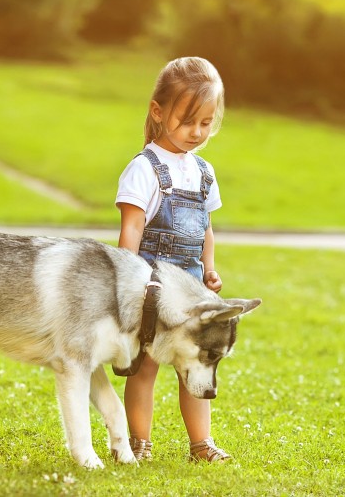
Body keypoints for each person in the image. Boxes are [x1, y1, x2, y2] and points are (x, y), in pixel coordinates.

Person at [115, 56, 231, 463]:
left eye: (205, 123)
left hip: (192, 294)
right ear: (158, 112)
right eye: (187, 121)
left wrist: (210, 270)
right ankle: (139, 443)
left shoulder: (203, 171)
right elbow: (131, 228)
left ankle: (201, 444)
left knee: (195, 367)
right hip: (151, 292)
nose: (196, 133)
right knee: (145, 368)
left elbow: (206, 229)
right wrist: (126, 279)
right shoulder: (144, 169)